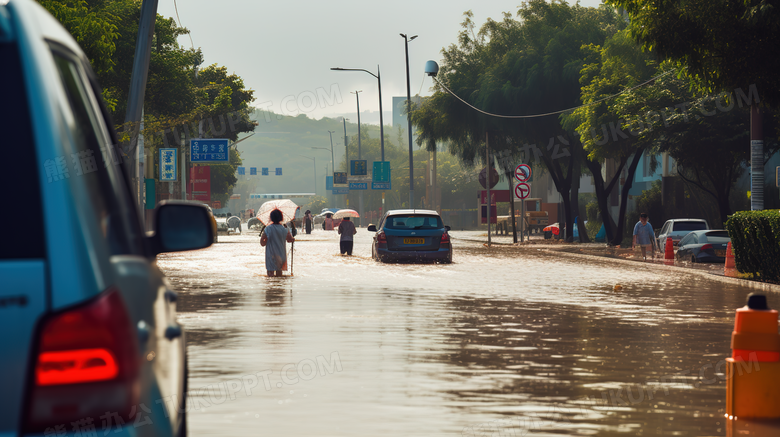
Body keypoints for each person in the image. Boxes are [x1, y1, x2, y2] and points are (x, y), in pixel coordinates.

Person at [260, 209, 294, 276]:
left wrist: (266, 241)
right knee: (279, 274)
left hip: (271, 255)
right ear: (281, 218)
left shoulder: (268, 229)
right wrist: (293, 238)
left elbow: (262, 243)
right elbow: (289, 240)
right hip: (281, 255)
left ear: (271, 218)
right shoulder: (285, 229)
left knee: (270, 275)